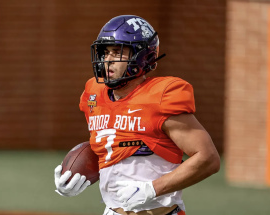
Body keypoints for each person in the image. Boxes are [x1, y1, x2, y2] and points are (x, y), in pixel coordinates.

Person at [54, 15, 220, 215]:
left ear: (142, 57)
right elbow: (111, 148)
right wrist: (75, 176)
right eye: (105, 52)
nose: (108, 60)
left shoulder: (161, 96)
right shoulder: (93, 93)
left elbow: (208, 158)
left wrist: (153, 189)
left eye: (117, 52)